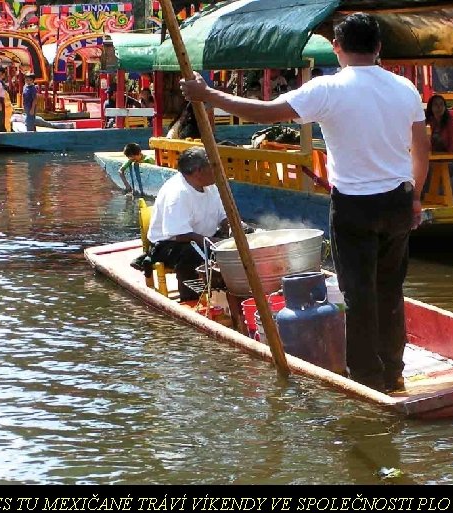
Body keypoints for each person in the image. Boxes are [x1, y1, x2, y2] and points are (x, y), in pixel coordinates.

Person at [180, 12, 429, 393]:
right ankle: (392, 370)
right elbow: (421, 150)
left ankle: (368, 377)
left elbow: (265, 111)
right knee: (389, 289)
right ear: (378, 47)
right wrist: (417, 197)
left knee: (359, 294)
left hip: (356, 206)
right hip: (398, 199)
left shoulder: (329, 89)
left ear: (338, 48)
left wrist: (208, 95)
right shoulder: (404, 88)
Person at [146, 147, 228, 302]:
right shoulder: (178, 193)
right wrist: (211, 242)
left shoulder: (211, 186)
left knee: (243, 241)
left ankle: (228, 293)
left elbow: (223, 217)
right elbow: (179, 233)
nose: (219, 170)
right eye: (213, 167)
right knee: (192, 254)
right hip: (169, 243)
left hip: (202, 237)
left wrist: (234, 229)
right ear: (198, 171)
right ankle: (191, 299)